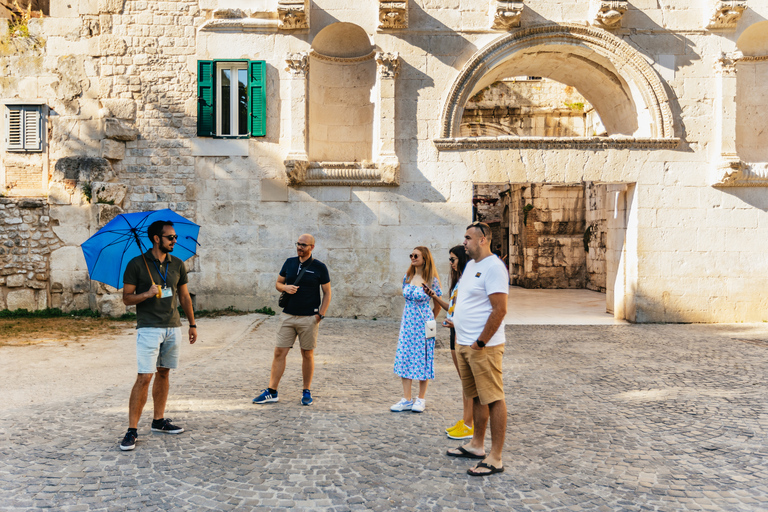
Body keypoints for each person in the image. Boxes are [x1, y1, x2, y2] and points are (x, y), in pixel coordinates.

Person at [120, 220, 198, 451]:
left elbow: (184, 297)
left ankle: (158, 421)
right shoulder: (136, 264)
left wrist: (192, 324)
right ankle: (132, 430)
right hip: (149, 328)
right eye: (170, 237)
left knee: (164, 373)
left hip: (173, 326)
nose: (175, 241)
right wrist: (146, 293)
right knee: (144, 377)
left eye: (175, 237)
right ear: (156, 238)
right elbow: (126, 298)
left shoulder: (177, 264)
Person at [446, 221, 509, 477]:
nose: (464, 242)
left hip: (484, 347)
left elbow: (500, 309)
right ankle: (477, 445)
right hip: (464, 343)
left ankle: (495, 457)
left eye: (468, 238)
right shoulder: (471, 265)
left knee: (493, 398)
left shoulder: (494, 267)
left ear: (483, 240)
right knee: (476, 397)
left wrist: (481, 341)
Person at [253, 234, 331, 406]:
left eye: (303, 245)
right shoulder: (289, 262)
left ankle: (306, 391)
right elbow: (278, 283)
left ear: (312, 247)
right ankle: (272, 391)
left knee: (307, 354)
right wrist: (285, 287)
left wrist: (320, 315)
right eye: (298, 244)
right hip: (287, 316)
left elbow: (327, 292)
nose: (299, 247)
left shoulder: (320, 267)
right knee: (279, 352)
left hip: (309, 317)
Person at [423, 245, 473, 440]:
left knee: (468, 382)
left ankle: (469, 424)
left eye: (453, 259)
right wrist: (434, 297)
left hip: (461, 333)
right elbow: (451, 309)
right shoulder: (459, 282)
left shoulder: (467, 282)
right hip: (454, 332)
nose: (450, 263)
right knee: (464, 381)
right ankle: (466, 420)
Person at [391, 246, 442, 413]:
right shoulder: (408, 276)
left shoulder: (432, 279)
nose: (412, 258)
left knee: (424, 358)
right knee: (405, 356)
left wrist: (431, 320)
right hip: (407, 323)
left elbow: (438, 303)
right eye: (411, 255)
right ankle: (406, 398)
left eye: (416, 255)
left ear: (425, 258)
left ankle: (421, 398)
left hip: (424, 323)